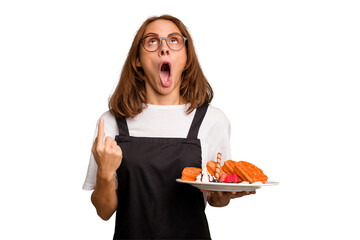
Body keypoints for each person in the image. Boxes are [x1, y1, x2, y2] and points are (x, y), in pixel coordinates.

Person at [83, 15, 255, 239]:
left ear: (186, 57)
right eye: (152, 41)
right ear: (137, 60)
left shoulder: (212, 120)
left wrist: (226, 194)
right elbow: (104, 211)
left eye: (174, 41)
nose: (164, 48)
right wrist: (105, 173)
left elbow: (215, 199)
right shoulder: (112, 122)